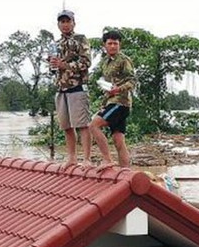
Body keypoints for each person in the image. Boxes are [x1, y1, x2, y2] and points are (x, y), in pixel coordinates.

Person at [50, 10, 92, 168]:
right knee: (66, 126)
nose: (65, 24)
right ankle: (72, 157)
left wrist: (64, 65)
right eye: (62, 22)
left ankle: (87, 158)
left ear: (74, 23)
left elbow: (86, 62)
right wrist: (53, 65)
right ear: (58, 24)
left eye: (68, 21)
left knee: (82, 124)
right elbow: (54, 68)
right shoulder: (56, 44)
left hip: (77, 86)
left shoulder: (81, 39)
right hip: (61, 88)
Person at [89, 30, 136, 169]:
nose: (113, 46)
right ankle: (125, 172)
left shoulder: (124, 60)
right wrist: (103, 104)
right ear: (104, 45)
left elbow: (132, 81)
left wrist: (118, 89)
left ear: (119, 44)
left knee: (93, 125)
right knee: (118, 140)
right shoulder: (105, 63)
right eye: (110, 43)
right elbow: (108, 86)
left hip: (120, 103)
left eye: (116, 43)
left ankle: (107, 160)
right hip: (111, 102)